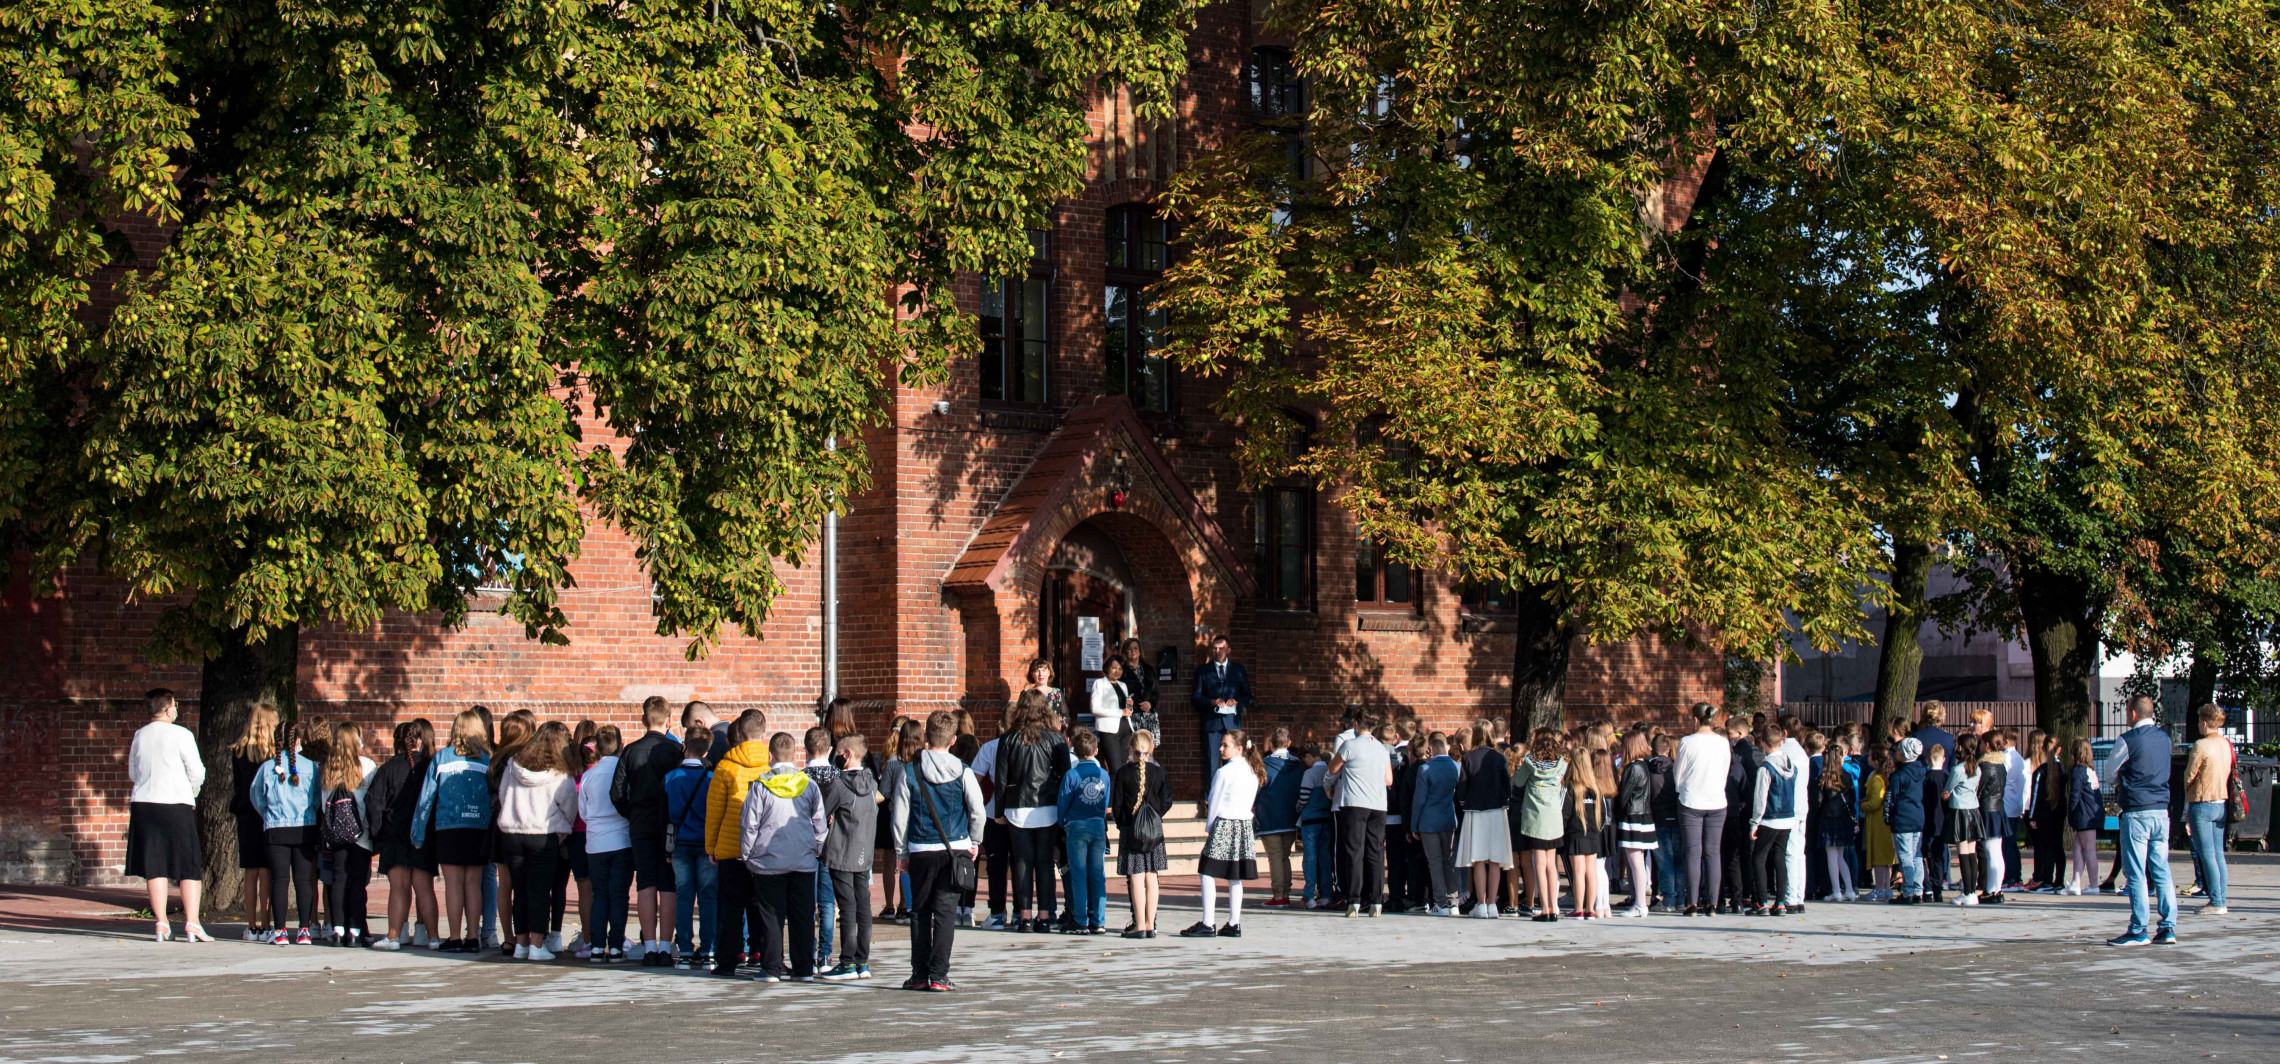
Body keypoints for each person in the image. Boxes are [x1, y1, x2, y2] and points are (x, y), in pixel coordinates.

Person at [893, 710, 987, 992]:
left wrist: (901, 851)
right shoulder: (963, 770)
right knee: (946, 913)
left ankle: (919, 973)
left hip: (921, 848)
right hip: (954, 848)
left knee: (920, 911)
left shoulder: (909, 771)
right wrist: (974, 841)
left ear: (925, 738)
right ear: (953, 740)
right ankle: (939, 975)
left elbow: (899, 816)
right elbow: (978, 811)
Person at [738, 731, 826, 983]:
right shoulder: (808, 785)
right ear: (796, 754)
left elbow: (749, 825)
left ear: (770, 756)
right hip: (803, 861)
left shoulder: (760, 786)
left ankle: (771, 967)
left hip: (768, 861)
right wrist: (817, 850)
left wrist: (748, 855)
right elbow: (819, 823)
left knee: (770, 915)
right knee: (803, 916)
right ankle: (803, 968)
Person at [126, 688, 210, 943]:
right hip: (175, 802)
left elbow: (133, 772)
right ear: (168, 707)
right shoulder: (181, 734)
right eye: (176, 704)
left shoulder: (140, 735)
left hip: (144, 804)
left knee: (155, 864)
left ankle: (161, 922)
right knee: (188, 865)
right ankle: (192, 923)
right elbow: (197, 771)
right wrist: (190, 791)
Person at [411, 708, 493, 952]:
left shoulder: (442, 758)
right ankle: (472, 937)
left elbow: (426, 798)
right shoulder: (487, 760)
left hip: (449, 826)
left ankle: (455, 936)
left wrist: (418, 832)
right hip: (478, 826)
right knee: (473, 883)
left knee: (453, 884)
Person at [495, 721, 577, 961]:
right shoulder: (560, 772)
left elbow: (503, 795)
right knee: (540, 891)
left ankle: (521, 943)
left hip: (512, 833)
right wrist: (563, 830)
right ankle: (537, 944)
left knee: (519, 890)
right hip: (543, 834)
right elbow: (570, 806)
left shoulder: (513, 765)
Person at [611, 696, 682, 965]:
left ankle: (649, 946)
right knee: (668, 885)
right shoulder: (675, 751)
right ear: (669, 719)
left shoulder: (630, 751)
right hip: (669, 826)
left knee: (645, 884)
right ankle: (666, 946)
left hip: (640, 823)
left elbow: (616, 792)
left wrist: (632, 812)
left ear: (643, 720)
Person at [993, 691, 1070, 933]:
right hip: (1047, 806)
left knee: (1022, 862)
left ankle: (1025, 917)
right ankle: (1045, 916)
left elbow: (1001, 778)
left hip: (1017, 806)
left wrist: (999, 810)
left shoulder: (1009, 739)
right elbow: (1066, 775)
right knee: (1045, 863)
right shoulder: (1055, 739)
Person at [2105, 695, 2178, 944]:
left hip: (2136, 809)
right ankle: (2168, 927)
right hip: (2160, 808)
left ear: (2133, 713)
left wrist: (2123, 782)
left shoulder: (2128, 740)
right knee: (2161, 869)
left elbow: (2109, 773)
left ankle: (2138, 929)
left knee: (2136, 871)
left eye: (2127, 712)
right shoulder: (2164, 739)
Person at [1184, 729, 1264, 937]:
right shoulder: (1253, 771)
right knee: (1234, 875)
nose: (1221, 748)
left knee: (1207, 870)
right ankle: (1234, 922)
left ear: (1238, 749)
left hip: (1225, 822)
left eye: (1225, 745)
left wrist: (1210, 827)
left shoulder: (1224, 772)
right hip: (1244, 824)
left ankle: (1208, 922)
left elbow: (1215, 802)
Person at [249, 718, 321, 944]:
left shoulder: (266, 767)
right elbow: (317, 799)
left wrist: (270, 816)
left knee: (279, 880)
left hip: (276, 829)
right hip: (304, 828)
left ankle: (279, 931)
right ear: (298, 740)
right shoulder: (310, 767)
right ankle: (304, 930)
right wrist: (308, 814)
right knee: (303, 880)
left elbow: (257, 797)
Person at [368, 719, 438, 950]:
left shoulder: (387, 768)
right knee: (424, 888)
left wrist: (378, 836)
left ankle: (394, 936)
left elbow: (374, 803)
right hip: (423, 837)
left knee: (398, 888)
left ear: (396, 742)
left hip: (394, 835)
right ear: (419, 741)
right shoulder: (430, 766)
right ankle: (434, 938)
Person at [820, 733, 878, 979]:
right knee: (863, 907)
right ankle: (862, 962)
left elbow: (822, 811)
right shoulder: (871, 781)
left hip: (842, 851)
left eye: (840, 751)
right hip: (864, 851)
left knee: (848, 908)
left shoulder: (840, 783)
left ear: (848, 754)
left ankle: (846, 963)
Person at [318, 722, 378, 946]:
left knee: (338, 879)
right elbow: (372, 801)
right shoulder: (368, 766)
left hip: (336, 833)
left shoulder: (329, 768)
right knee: (357, 882)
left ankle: (338, 929)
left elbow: (324, 803)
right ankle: (355, 929)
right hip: (360, 833)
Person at [579, 725, 634, 960]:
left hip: (595, 842)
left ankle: (596, 945)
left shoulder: (589, 775)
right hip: (621, 839)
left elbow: (583, 811)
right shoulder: (624, 772)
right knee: (619, 894)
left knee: (599, 894)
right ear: (620, 745)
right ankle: (616, 945)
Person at [664, 727, 717, 968]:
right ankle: (708, 949)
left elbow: (666, 812)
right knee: (708, 897)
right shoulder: (711, 778)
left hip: (680, 841)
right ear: (707, 750)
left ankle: (684, 948)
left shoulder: (671, 777)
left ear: (684, 745)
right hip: (706, 842)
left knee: (684, 896)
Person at [226, 702, 280, 942]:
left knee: (250, 871)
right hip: (267, 814)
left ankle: (251, 925)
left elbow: (239, 786)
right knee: (266, 870)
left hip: (246, 813)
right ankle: (267, 924)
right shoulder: (274, 753)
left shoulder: (239, 750)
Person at [1331, 718, 1394, 918]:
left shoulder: (1349, 745)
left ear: (1357, 724)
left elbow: (1332, 769)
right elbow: (1388, 779)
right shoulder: (1382, 749)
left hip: (1355, 803)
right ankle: (1377, 900)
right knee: (1375, 851)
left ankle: (1354, 900)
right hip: (1378, 804)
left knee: (1354, 852)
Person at [1672, 702, 1730, 917]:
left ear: (1695, 719)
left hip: (1692, 800)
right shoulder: (1723, 743)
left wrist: (1681, 789)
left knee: (1692, 852)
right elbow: (1725, 769)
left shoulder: (1687, 742)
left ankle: (1692, 902)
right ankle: (1713, 903)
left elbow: (1678, 773)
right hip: (1716, 800)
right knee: (1712, 852)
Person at [1057, 729, 1113, 935]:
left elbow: (1063, 801)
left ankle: (1080, 920)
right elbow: (1105, 800)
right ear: (1096, 751)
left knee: (1078, 873)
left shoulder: (1071, 775)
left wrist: (1062, 821)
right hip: (1097, 824)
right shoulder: (1103, 775)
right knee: (1097, 873)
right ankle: (1098, 920)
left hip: (1076, 824)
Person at [1453, 721, 1512, 918]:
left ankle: (1480, 904)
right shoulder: (1499, 757)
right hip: (1496, 810)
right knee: (1494, 860)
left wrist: (1465, 804)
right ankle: (1492, 904)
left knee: (1478, 859)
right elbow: (1507, 785)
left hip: (1475, 811)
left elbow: (1462, 787)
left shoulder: (1468, 757)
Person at [2182, 703, 2233, 915]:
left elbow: (2189, 776)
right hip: (2221, 801)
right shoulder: (2226, 744)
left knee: (2207, 855)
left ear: (2204, 722)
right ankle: (2221, 897)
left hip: (2202, 802)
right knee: (2218, 854)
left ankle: (2216, 902)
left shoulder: (2201, 745)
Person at [1512, 729, 1568, 921]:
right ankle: (1554, 906)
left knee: (1539, 863)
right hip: (1554, 817)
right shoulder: (1562, 763)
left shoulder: (1529, 763)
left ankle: (1544, 908)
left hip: (1536, 818)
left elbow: (1518, 783)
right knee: (1552, 865)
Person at [1743, 723, 1797, 916]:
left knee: (1759, 858)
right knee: (1780, 858)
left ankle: (1762, 902)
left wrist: (1754, 823)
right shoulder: (1791, 765)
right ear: (1781, 741)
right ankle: (1781, 902)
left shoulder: (1765, 768)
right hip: (1787, 818)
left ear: (1763, 744)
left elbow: (1760, 799)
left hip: (1769, 819)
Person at [800, 727, 842, 968]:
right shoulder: (838, 776)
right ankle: (825, 954)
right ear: (830, 749)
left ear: (805, 749)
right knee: (827, 903)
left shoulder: (800, 778)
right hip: (831, 845)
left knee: (807, 903)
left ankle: (807, 951)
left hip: (805, 845)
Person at [1409, 732, 1462, 916]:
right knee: (1448, 861)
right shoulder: (1456, 767)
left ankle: (1440, 904)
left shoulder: (1425, 769)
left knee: (1435, 863)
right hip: (1448, 820)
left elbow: (1419, 801)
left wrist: (1414, 825)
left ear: (1430, 749)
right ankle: (1453, 902)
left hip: (1429, 822)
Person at [1189, 635, 1252, 784]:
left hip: (1232, 724)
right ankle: (1210, 801)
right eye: (1215, 648)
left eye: (1221, 648)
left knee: (1234, 763)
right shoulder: (1203, 671)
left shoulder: (1238, 670)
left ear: (1228, 650)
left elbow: (1248, 696)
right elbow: (1195, 698)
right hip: (1212, 724)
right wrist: (1211, 702)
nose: (1217, 651)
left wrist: (1236, 701)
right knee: (1211, 764)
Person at [878, 717, 922, 925]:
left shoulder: (894, 762)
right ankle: (908, 904)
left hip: (897, 814)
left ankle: (898, 906)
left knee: (899, 860)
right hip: (920, 814)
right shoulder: (924, 760)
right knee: (916, 859)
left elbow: (884, 791)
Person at [1254, 726, 1304, 907]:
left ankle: (1279, 894)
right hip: (1291, 816)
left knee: (1275, 857)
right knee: (1285, 857)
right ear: (1289, 743)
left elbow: (1256, 789)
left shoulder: (1265, 764)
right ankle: (1286, 892)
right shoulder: (1297, 765)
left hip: (1270, 817)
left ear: (1271, 744)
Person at [1611, 732, 1656, 917]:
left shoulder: (1633, 768)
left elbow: (1624, 796)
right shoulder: (1643, 765)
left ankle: (1639, 903)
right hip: (1642, 815)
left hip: (1633, 817)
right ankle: (1639, 903)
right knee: (1638, 862)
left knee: (1635, 862)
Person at [1561, 743, 1607, 920]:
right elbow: (1603, 815)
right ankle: (1590, 908)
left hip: (1576, 833)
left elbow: (1563, 812)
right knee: (1591, 872)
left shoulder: (1570, 787)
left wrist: (1563, 830)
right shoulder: (1596, 788)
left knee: (1578, 872)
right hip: (1593, 833)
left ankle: (1578, 908)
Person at [1883, 738, 1928, 904]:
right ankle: (1918, 890)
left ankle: (1907, 891)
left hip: (1902, 819)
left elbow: (1890, 798)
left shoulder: (1899, 776)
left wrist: (1887, 817)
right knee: (1916, 854)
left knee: (1905, 855)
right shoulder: (1922, 772)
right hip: (1918, 817)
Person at [2026, 733, 2068, 892]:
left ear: (2043, 748)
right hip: (2059, 811)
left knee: (2046, 847)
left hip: (2043, 814)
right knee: (2058, 846)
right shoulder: (2063, 768)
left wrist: (2031, 815)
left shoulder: (2041, 771)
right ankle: (2059, 880)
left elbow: (2035, 794)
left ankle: (2047, 880)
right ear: (2059, 750)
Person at [1295, 743, 1335, 909]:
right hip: (1326, 818)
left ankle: (1309, 895)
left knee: (1310, 858)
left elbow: (1304, 797)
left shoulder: (1309, 773)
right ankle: (1326, 893)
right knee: (1325, 857)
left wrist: (1297, 808)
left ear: (1309, 756)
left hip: (1310, 820)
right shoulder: (1329, 770)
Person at [2063, 736, 2102, 896]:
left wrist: (2070, 813)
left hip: (2084, 815)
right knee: (2078, 847)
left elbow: (2074, 795)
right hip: (2092, 813)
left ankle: (2093, 885)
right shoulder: (2090, 770)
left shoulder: (2078, 771)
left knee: (2088, 850)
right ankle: (2076, 882)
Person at [1975, 732, 2011, 904]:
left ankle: (1990, 890)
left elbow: (1980, 790)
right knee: (1997, 851)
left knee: (1991, 852)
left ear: (1987, 745)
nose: (1980, 746)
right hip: (1998, 808)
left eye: (1982, 743)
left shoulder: (1986, 766)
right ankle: (1996, 888)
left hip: (1988, 809)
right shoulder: (2000, 764)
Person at [1860, 746, 1895, 901]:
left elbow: (1875, 802)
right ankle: (1886, 888)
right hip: (1885, 821)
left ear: (1875, 760)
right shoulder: (1887, 775)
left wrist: (1862, 805)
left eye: (1869, 757)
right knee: (1886, 858)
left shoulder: (1876, 778)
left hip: (1878, 821)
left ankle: (1880, 888)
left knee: (1879, 857)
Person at [1089, 657, 1132, 774]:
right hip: (1109, 731)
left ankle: (1120, 792)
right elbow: (1095, 708)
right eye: (1114, 668)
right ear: (1107, 668)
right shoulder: (1099, 683)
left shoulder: (1123, 685)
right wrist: (1120, 712)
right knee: (1115, 768)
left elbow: (1125, 709)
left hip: (1126, 730)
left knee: (1124, 768)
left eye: (1120, 668)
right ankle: (1112, 792)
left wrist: (1129, 707)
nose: (1117, 671)